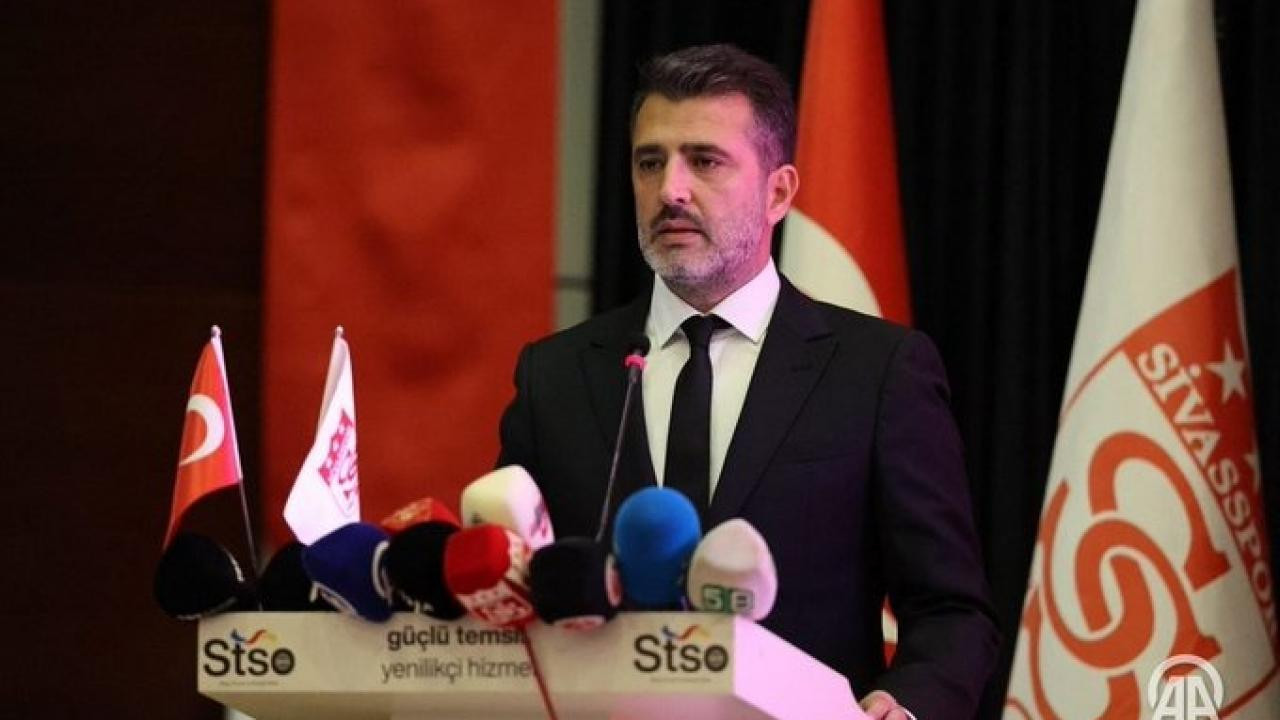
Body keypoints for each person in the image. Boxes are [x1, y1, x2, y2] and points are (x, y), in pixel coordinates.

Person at [498, 44, 998, 719]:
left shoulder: (877, 372)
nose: (671, 190)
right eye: (650, 162)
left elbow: (952, 612)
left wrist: (903, 704)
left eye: (704, 161)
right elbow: (510, 588)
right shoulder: (555, 375)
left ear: (778, 192)